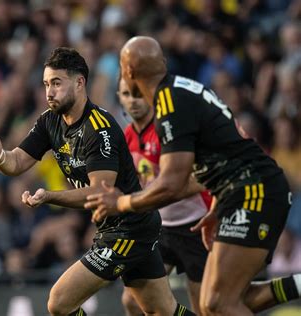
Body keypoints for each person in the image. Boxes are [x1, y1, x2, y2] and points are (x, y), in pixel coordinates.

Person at [84, 36, 301, 316]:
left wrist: (122, 204)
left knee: (218, 304)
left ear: (128, 73)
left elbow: (173, 183)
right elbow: (224, 150)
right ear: (162, 63)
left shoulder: (170, 103)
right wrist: (216, 206)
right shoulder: (181, 91)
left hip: (252, 191)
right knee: (219, 303)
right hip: (239, 192)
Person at [0, 47, 194, 316]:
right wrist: (0, 156)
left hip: (128, 229)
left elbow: (100, 192)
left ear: (79, 83)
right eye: (45, 84)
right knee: (163, 312)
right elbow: (17, 161)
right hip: (122, 226)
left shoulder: (99, 129)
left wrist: (50, 196)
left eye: (56, 83)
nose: (49, 92)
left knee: (59, 302)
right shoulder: (49, 121)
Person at [117, 76, 209, 315]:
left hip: (195, 226)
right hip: (159, 228)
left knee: (203, 307)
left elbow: (203, 177)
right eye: (126, 95)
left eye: (138, 94)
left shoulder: (169, 130)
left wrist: (165, 192)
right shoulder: (127, 136)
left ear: (149, 96)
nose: (133, 101)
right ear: (119, 98)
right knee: (132, 300)